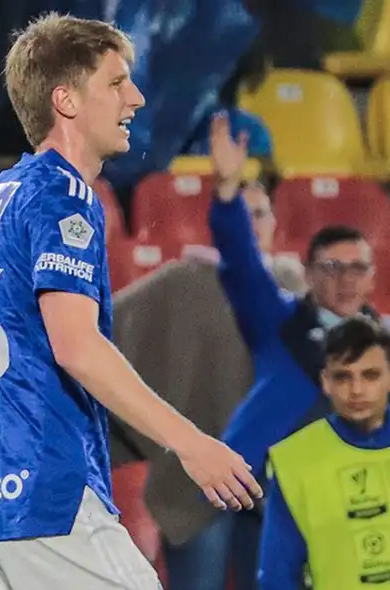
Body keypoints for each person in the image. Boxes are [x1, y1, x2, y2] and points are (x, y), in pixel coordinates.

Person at [0, 13, 262, 589]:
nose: (138, 97)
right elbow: (76, 346)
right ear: (66, 100)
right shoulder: (63, 193)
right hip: (52, 494)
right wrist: (189, 442)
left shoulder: (3, 192)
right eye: (117, 82)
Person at [110, 112, 305, 590]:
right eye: (242, 210)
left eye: (259, 212)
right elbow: (101, 331)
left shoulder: (297, 292)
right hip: (199, 488)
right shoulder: (183, 283)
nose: (250, 221)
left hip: (278, 484)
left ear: (277, 223)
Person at [211, 110, 382, 585]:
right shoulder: (279, 321)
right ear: (308, 273)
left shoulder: (384, 343)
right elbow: (242, 265)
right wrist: (227, 194)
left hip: (356, 507)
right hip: (267, 504)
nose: (346, 281)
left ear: (373, 275)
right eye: (332, 268)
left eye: (357, 268)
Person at [259, 316, 390, 589]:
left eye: (370, 375)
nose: (356, 390)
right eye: (343, 377)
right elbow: (277, 574)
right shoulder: (295, 459)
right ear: (326, 381)